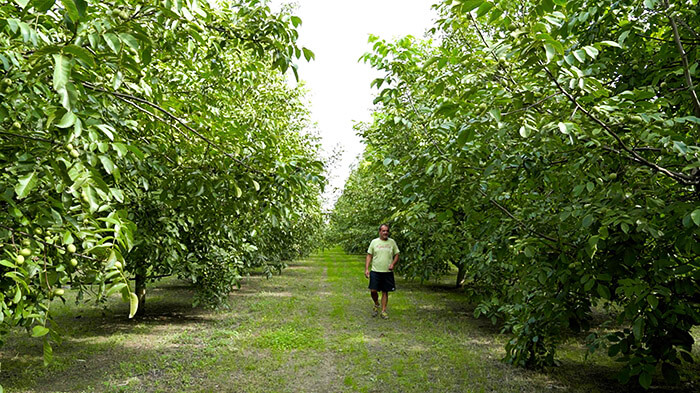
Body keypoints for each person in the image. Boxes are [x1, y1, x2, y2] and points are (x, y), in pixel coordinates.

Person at [365, 224, 399, 319]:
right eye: (383, 231)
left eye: (387, 231)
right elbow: (369, 255)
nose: (385, 233)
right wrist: (367, 269)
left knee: (385, 291)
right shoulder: (374, 242)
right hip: (375, 270)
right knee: (373, 290)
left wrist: (393, 264)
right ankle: (376, 303)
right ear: (380, 232)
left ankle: (383, 311)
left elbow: (397, 254)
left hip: (387, 272)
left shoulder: (392, 242)